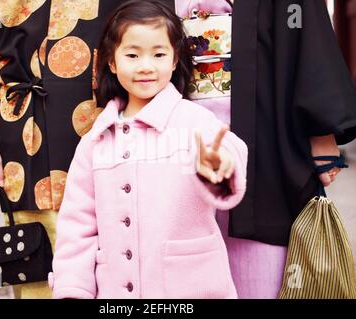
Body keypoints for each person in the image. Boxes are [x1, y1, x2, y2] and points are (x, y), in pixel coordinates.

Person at [0, 0, 147, 298]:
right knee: (40, 258)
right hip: (28, 130)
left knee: (127, 248)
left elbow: (153, 24)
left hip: (117, 117)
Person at [49, 0, 248, 299]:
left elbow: (229, 150)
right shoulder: (96, 141)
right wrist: (72, 290)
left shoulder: (193, 121)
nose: (146, 66)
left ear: (173, 59)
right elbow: (76, 228)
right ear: (112, 62)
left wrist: (218, 164)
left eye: (158, 54)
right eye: (132, 54)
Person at [175, 0, 356, 298]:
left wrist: (321, 129)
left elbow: (304, 27)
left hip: (261, 118)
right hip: (177, 116)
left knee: (260, 254)